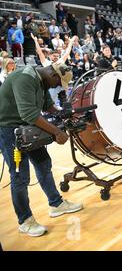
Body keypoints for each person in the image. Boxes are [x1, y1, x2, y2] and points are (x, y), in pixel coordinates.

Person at [0, 62, 83, 237]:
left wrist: (63, 113)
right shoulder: (25, 78)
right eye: (58, 83)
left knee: (44, 164)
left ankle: (56, 204)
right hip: (8, 129)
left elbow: (47, 105)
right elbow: (29, 113)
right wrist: (57, 132)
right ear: (53, 75)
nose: (57, 86)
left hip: (26, 126)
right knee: (20, 176)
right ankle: (25, 221)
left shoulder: (40, 80)